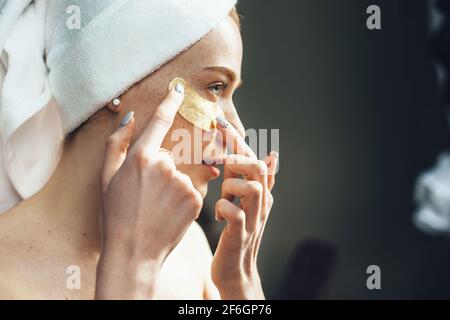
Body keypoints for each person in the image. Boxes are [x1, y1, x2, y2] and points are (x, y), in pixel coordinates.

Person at [0, 1, 278, 299]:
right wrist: (134, 271)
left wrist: (242, 283)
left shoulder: (189, 252)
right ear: (112, 79)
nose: (236, 131)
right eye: (215, 87)